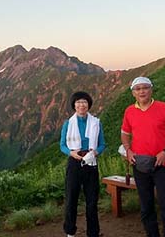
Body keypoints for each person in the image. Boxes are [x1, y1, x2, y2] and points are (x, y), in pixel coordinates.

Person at [121, 76, 165, 237]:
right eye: (138, 89)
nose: (142, 91)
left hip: (161, 164)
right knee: (146, 206)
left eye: (145, 87)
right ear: (133, 93)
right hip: (139, 164)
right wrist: (128, 150)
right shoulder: (129, 111)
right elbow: (124, 134)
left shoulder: (164, 108)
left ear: (151, 89)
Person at [60, 91, 106, 237]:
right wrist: (71, 153)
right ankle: (70, 232)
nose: (82, 105)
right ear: (74, 105)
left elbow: (102, 144)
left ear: (88, 105)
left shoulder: (96, 123)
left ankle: (93, 233)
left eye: (84, 102)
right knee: (71, 199)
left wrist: (95, 152)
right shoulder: (68, 124)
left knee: (92, 201)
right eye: (78, 102)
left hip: (91, 163)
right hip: (74, 162)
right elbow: (62, 145)